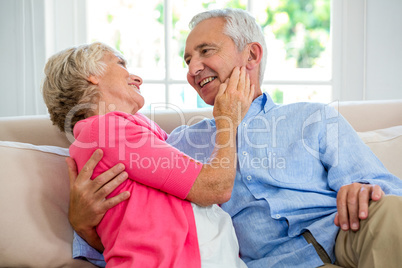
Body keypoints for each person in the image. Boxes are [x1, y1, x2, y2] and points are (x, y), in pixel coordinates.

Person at [68, 9, 402, 268]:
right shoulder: (180, 143)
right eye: (187, 60)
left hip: (346, 234)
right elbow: (139, 230)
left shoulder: (314, 117)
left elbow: (385, 190)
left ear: (252, 56)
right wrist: (82, 225)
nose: (193, 68)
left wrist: (364, 187)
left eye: (205, 51)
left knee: (390, 213)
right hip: (268, 263)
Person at [41, 41, 254, 267]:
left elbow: (127, 241)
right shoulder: (102, 129)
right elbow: (215, 187)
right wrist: (227, 120)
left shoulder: (129, 131)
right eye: (120, 63)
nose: (137, 79)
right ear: (92, 75)